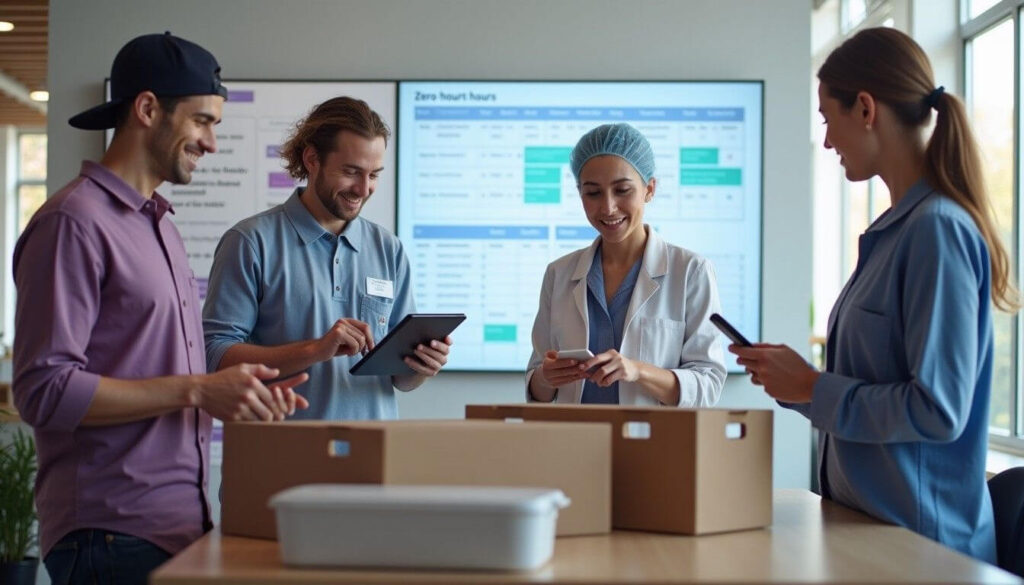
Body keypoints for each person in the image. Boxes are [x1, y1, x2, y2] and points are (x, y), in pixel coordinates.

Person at [12, 33, 309, 585]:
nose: (212, 142)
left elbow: (149, 372)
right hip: (108, 535)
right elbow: (42, 389)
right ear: (147, 109)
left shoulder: (161, 227)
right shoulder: (71, 223)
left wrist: (232, 395)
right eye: (202, 121)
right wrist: (196, 389)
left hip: (176, 527)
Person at [729, 27, 1017, 562]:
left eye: (826, 119)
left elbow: (937, 410)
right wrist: (798, 385)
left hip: (926, 552)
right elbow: (875, 385)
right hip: (873, 536)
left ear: (864, 108)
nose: (827, 141)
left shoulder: (938, 231)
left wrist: (815, 386)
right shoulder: (895, 232)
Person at [202, 97, 450, 420]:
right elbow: (213, 356)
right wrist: (316, 349)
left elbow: (401, 378)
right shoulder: (250, 242)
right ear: (311, 159)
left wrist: (421, 367)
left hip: (371, 460)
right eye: (351, 172)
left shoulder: (389, 249)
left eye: (374, 175)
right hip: (278, 459)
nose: (363, 189)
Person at [527, 123, 726, 406]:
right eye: (592, 193)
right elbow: (537, 387)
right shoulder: (559, 274)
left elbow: (708, 386)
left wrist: (638, 370)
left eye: (622, 190)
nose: (608, 207)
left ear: (649, 189)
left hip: (653, 444)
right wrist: (547, 377)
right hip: (572, 442)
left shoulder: (691, 271)